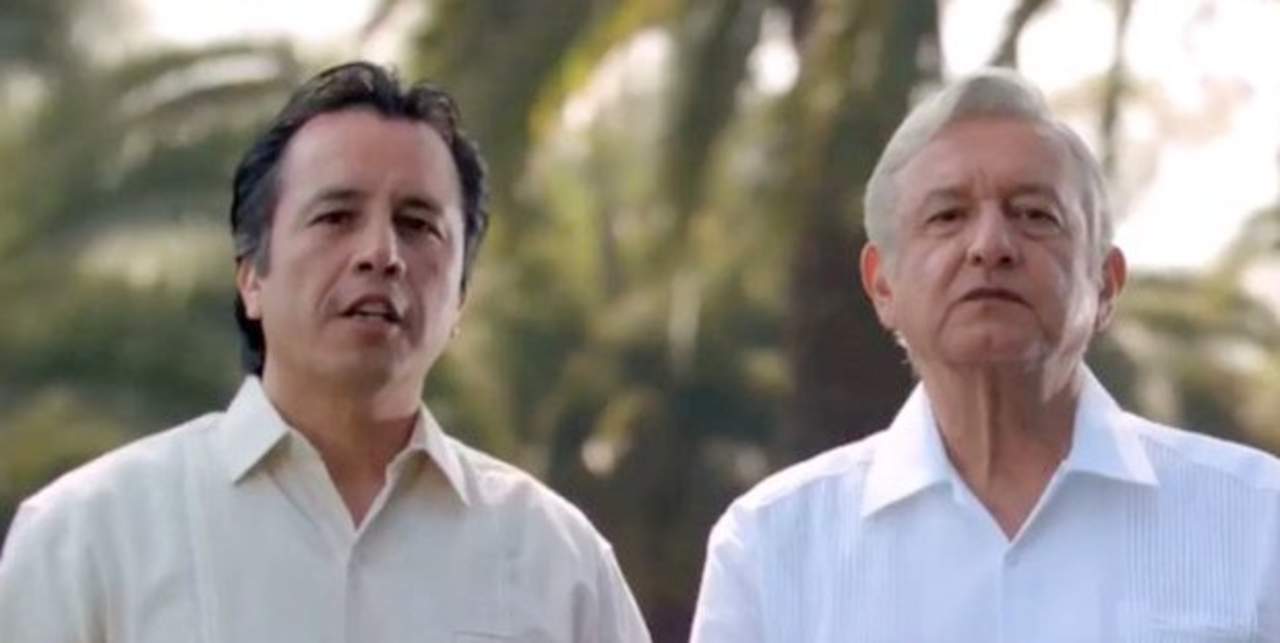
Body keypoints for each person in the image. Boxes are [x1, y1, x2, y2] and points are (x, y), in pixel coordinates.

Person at [0, 62, 650, 643]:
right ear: (252, 277)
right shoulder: (90, 536)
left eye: (418, 224)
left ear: (460, 299)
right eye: (337, 216)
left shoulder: (558, 563)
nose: (381, 254)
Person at [690, 69, 1280, 642]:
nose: (990, 245)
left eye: (1034, 215)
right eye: (947, 216)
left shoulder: (1258, 525)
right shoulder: (769, 548)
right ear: (883, 285)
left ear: (1106, 284)